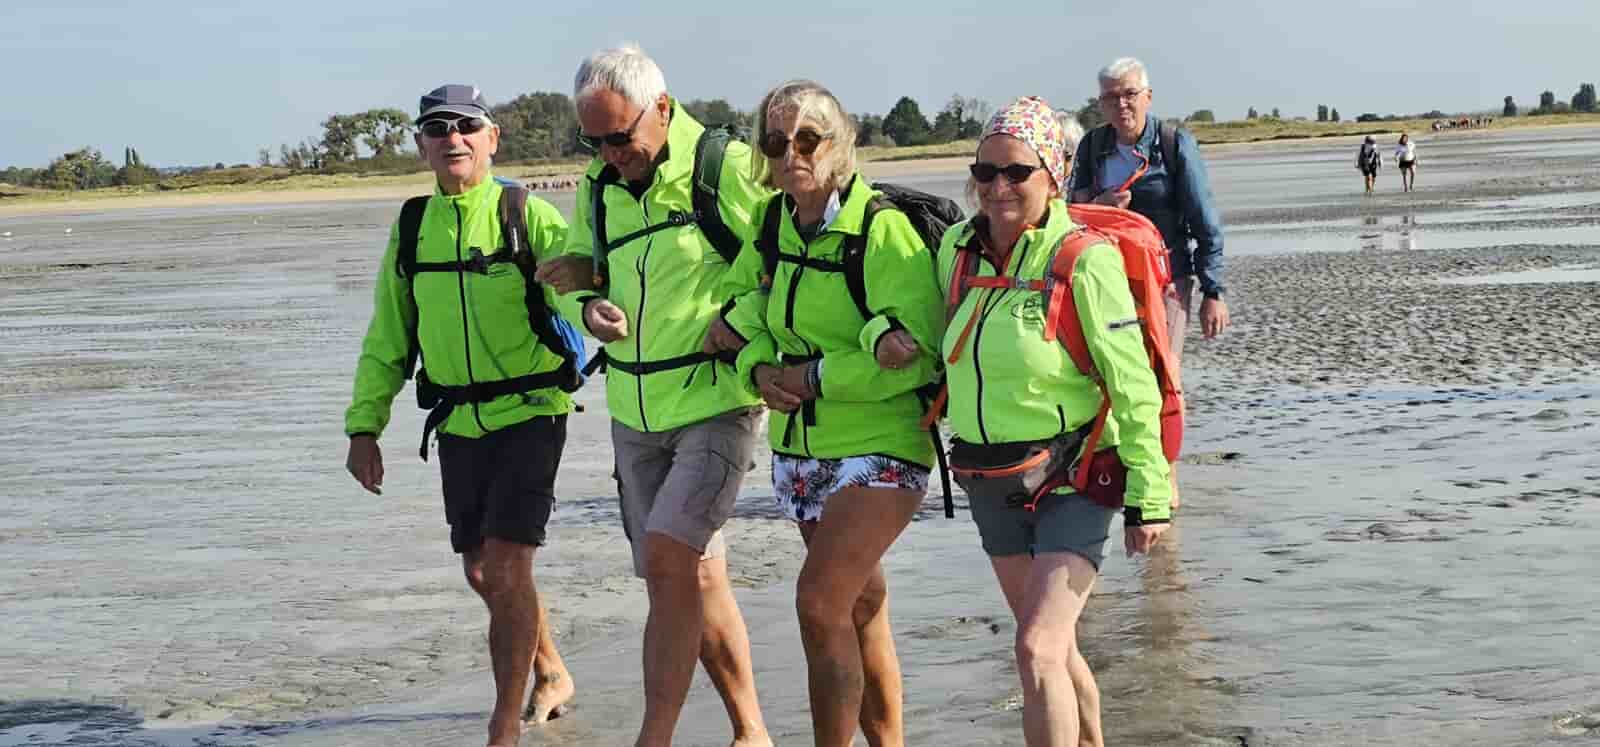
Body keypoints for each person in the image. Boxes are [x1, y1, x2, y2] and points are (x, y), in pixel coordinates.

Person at [534, 45, 774, 747]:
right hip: (634, 415)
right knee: (692, 578)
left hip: (717, 402)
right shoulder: (598, 187)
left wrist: (737, 321)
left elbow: (780, 264)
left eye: (621, 137)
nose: (611, 154)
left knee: (673, 561)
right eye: (595, 140)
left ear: (661, 110)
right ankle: (752, 730)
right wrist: (586, 306)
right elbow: (583, 271)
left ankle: (654, 736)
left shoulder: (723, 168)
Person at [706, 79, 944, 747]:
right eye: (776, 142)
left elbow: (919, 357)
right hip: (802, 452)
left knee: (818, 599)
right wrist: (755, 364)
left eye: (807, 139)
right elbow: (742, 307)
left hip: (884, 443)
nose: (791, 155)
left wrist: (812, 376)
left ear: (841, 147)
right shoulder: (773, 223)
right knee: (859, 606)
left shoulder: (884, 230)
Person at [343, 84, 581, 747]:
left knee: (506, 568)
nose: (454, 138)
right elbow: (389, 336)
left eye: (467, 126)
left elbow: (573, 289)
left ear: (492, 137)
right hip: (458, 423)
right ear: (421, 144)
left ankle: (503, 725)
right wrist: (365, 426)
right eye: (437, 128)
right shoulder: (412, 226)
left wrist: (596, 313)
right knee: (484, 572)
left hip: (533, 409)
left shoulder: (523, 213)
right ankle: (551, 667)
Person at [933, 96, 1173, 746]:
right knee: (1056, 650)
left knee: (1037, 648)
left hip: (1073, 476)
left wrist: (1150, 494)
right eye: (986, 173)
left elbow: (1133, 384)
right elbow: (925, 334)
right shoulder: (958, 249)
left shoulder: (1083, 261)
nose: (999, 188)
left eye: (1017, 172)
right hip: (989, 477)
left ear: (1055, 175)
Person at [1070, 57, 1229, 369]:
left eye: (1130, 94)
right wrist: (1099, 207)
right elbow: (1072, 215)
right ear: (1101, 104)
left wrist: (1214, 292)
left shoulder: (1174, 144)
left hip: (1167, 280)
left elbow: (1205, 223)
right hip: (1108, 281)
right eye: (1111, 97)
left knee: (1161, 370)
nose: (1122, 104)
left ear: (1148, 97)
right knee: (1111, 374)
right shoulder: (1091, 146)